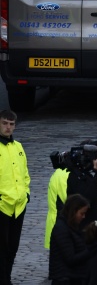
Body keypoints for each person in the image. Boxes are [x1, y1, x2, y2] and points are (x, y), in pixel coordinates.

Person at [0, 110, 28, 285]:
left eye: (11, 124)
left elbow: (24, 174)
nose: (8, 127)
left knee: (13, 247)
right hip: (2, 205)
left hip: (19, 205)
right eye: (4, 123)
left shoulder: (18, 146)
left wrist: (26, 194)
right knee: (1, 249)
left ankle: (7, 278)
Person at [49, 194, 92, 285]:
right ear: (73, 211)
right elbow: (70, 258)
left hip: (72, 277)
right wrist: (91, 250)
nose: (83, 217)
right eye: (82, 213)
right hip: (64, 279)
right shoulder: (61, 228)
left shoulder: (72, 226)